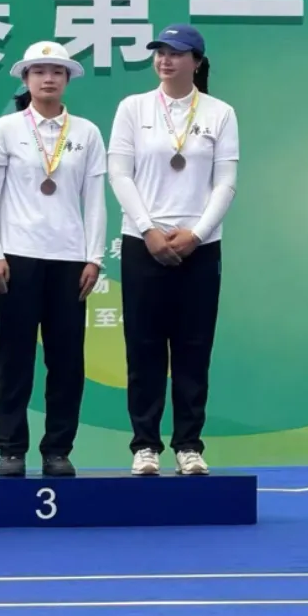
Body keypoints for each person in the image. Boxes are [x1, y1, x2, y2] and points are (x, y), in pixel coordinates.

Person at [107, 24, 239, 476]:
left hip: (199, 247)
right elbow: (119, 173)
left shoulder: (220, 113)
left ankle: (188, 445)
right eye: (160, 52)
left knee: (193, 348)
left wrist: (197, 234)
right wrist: (148, 230)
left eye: (176, 53)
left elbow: (225, 183)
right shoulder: (133, 108)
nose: (165, 60)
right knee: (143, 347)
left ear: (196, 62)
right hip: (143, 243)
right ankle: (145, 445)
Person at [0, 42, 106, 478]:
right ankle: (10, 448)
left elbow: (95, 199)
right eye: (38, 71)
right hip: (16, 258)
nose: (48, 79)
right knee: (12, 360)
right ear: (26, 79)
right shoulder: (6, 129)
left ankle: (58, 450)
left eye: (56, 71)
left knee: (67, 362)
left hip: (70, 260)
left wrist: (94, 257)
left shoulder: (86, 132)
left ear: (68, 78)